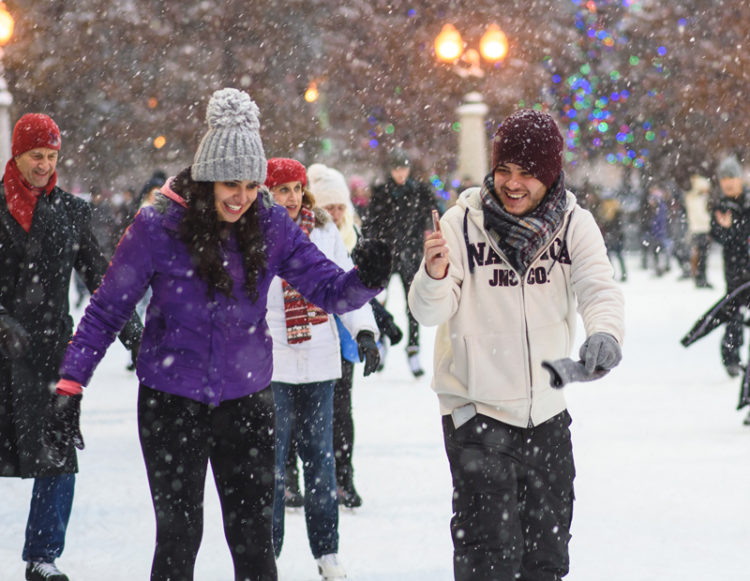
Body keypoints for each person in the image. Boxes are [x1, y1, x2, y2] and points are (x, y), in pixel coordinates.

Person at [47, 89, 390, 581]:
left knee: (253, 544)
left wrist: (366, 279)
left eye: (252, 184)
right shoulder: (158, 226)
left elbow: (329, 290)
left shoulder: (272, 223)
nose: (242, 196)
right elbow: (105, 310)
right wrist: (70, 385)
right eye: (231, 183)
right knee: (179, 539)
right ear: (207, 176)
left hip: (247, 400)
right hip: (171, 401)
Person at [408, 109, 625, 581]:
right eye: (504, 170)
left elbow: (598, 286)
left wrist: (604, 331)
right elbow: (428, 312)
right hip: (478, 415)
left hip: (547, 414)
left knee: (546, 561)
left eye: (527, 173)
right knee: (490, 559)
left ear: (549, 176)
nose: (512, 183)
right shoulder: (461, 224)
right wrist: (435, 273)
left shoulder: (573, 223)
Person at [0, 113, 141, 581]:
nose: (44, 165)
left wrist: (135, 337)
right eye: (35, 156)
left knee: (58, 455)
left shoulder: (72, 214)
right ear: (16, 156)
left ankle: (43, 556)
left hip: (50, 355)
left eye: (51, 156)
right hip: (1, 354)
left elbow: (105, 283)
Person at [264, 158, 381, 580]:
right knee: (272, 466)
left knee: (321, 462)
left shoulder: (326, 232)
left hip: (318, 361)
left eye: (297, 189)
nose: (292, 198)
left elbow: (342, 286)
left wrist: (364, 331)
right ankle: (267, 552)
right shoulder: (256, 233)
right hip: (273, 362)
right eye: (283, 190)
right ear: (268, 193)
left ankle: (327, 552)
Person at [307, 162, 403, 509]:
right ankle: (290, 478)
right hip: (309, 335)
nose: (334, 213)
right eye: (327, 206)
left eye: (339, 206)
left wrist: (381, 319)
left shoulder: (353, 237)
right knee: (298, 413)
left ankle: (343, 478)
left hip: (345, 338)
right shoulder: (306, 239)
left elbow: (357, 290)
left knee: (340, 410)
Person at [361, 147, 438, 377]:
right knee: (380, 301)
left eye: (403, 169)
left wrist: (427, 234)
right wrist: (372, 245)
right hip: (386, 254)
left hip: (411, 254)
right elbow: (370, 222)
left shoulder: (419, 192)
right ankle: (382, 342)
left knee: (412, 304)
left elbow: (433, 214)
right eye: (397, 169)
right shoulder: (382, 192)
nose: (400, 174)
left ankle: (413, 349)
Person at [710, 154, 750, 378]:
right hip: (734, 270)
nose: (728, 184)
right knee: (734, 316)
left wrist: (734, 227)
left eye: (731, 179)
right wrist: (726, 228)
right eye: (724, 181)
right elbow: (718, 236)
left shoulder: (748, 202)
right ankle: (731, 359)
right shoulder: (721, 206)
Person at [683, 174, 713, 288]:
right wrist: (710, 220)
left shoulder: (695, 198)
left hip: (699, 229)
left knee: (701, 256)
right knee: (701, 256)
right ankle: (701, 278)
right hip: (700, 230)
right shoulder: (695, 199)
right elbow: (701, 216)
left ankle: (701, 278)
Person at [596, 189, 628, 282]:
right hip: (616, 235)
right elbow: (620, 224)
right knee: (618, 255)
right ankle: (622, 274)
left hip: (610, 235)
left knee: (610, 256)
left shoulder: (604, 207)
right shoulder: (617, 207)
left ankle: (611, 274)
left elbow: (604, 222)